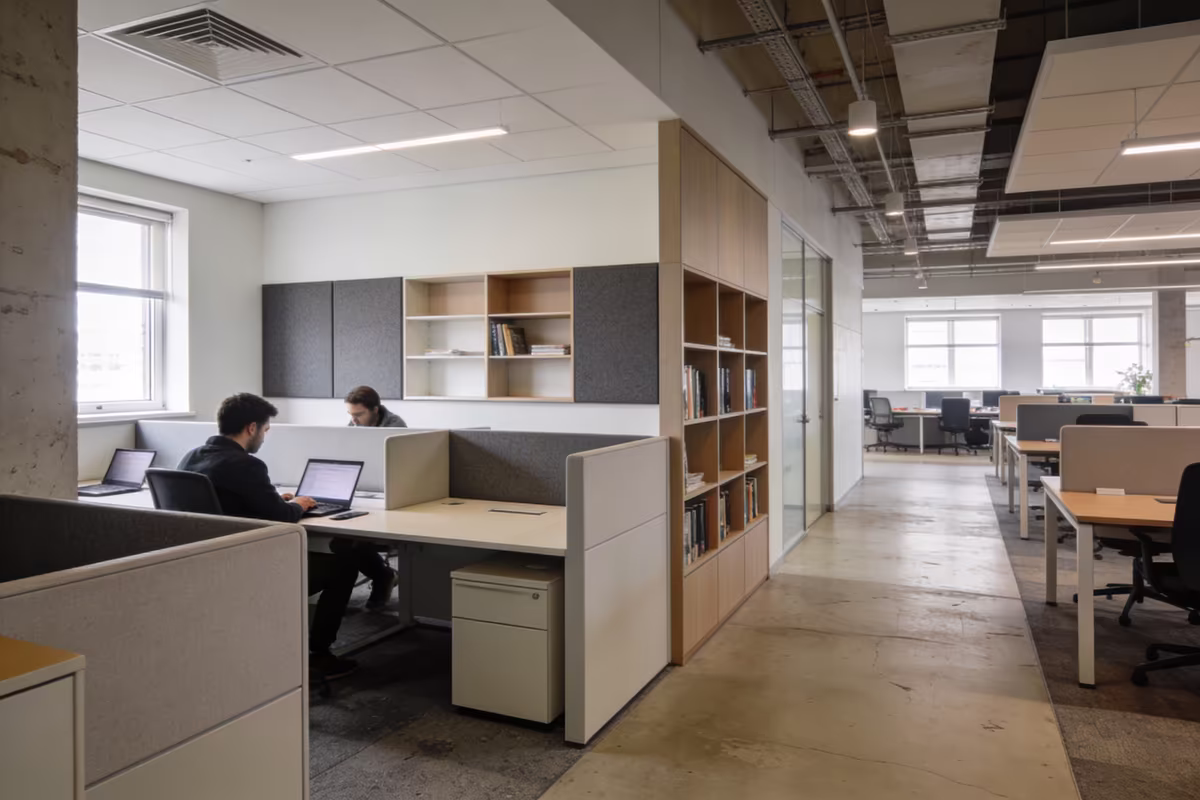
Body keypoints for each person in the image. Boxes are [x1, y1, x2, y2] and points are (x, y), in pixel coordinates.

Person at [177, 393, 359, 679]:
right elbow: (282, 518)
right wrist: (296, 504)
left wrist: (274, 499)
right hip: (247, 568)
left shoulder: (191, 456)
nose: (265, 435)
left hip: (201, 564)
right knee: (345, 566)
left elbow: (227, 501)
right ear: (251, 428)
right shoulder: (247, 465)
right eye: (265, 429)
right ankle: (318, 655)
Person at [339, 385, 402, 610]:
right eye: (350, 415)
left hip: (391, 494)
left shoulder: (396, 428)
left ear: (375, 409)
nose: (353, 420)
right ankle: (382, 575)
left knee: (351, 539)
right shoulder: (354, 426)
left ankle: (382, 576)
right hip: (363, 491)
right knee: (342, 538)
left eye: (358, 415)